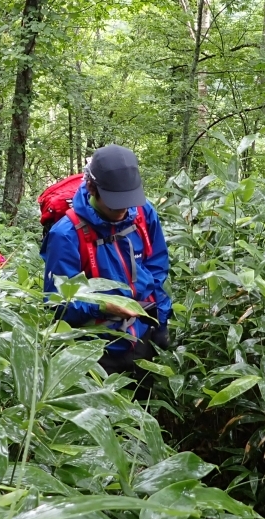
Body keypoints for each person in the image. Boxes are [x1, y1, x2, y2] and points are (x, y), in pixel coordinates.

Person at [41, 144, 171, 381]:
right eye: (114, 202)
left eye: (127, 200)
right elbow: (57, 303)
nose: (122, 209)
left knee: (145, 400)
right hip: (97, 349)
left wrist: (160, 321)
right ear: (92, 188)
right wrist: (103, 306)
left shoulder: (143, 213)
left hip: (144, 333)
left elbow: (157, 265)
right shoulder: (66, 235)